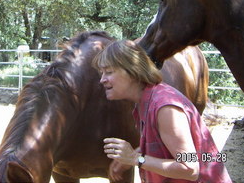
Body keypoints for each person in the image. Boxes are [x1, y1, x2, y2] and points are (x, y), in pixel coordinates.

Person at [92, 39, 232, 183]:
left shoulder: (165, 108)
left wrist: (136, 159)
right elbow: (162, 145)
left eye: (108, 72)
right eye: (102, 73)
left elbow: (190, 168)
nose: (102, 80)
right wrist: (133, 155)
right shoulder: (144, 102)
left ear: (133, 72)